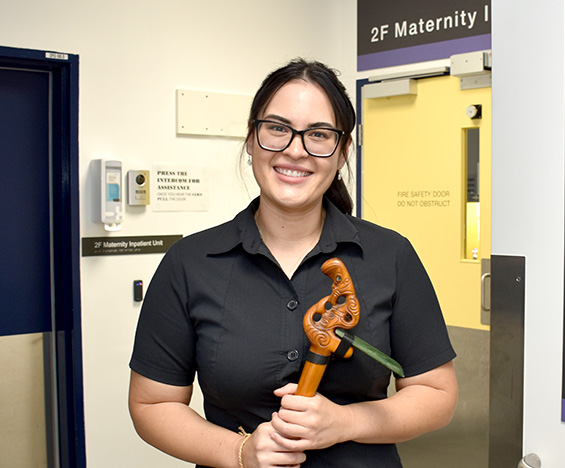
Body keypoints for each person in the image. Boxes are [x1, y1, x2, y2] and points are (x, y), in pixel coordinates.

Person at [128, 58, 458, 468]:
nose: (295, 150)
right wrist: (239, 452)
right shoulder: (189, 263)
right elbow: (153, 403)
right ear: (251, 139)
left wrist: (345, 421)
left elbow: (437, 395)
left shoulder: (390, 256)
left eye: (318, 135)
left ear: (342, 152)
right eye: (278, 129)